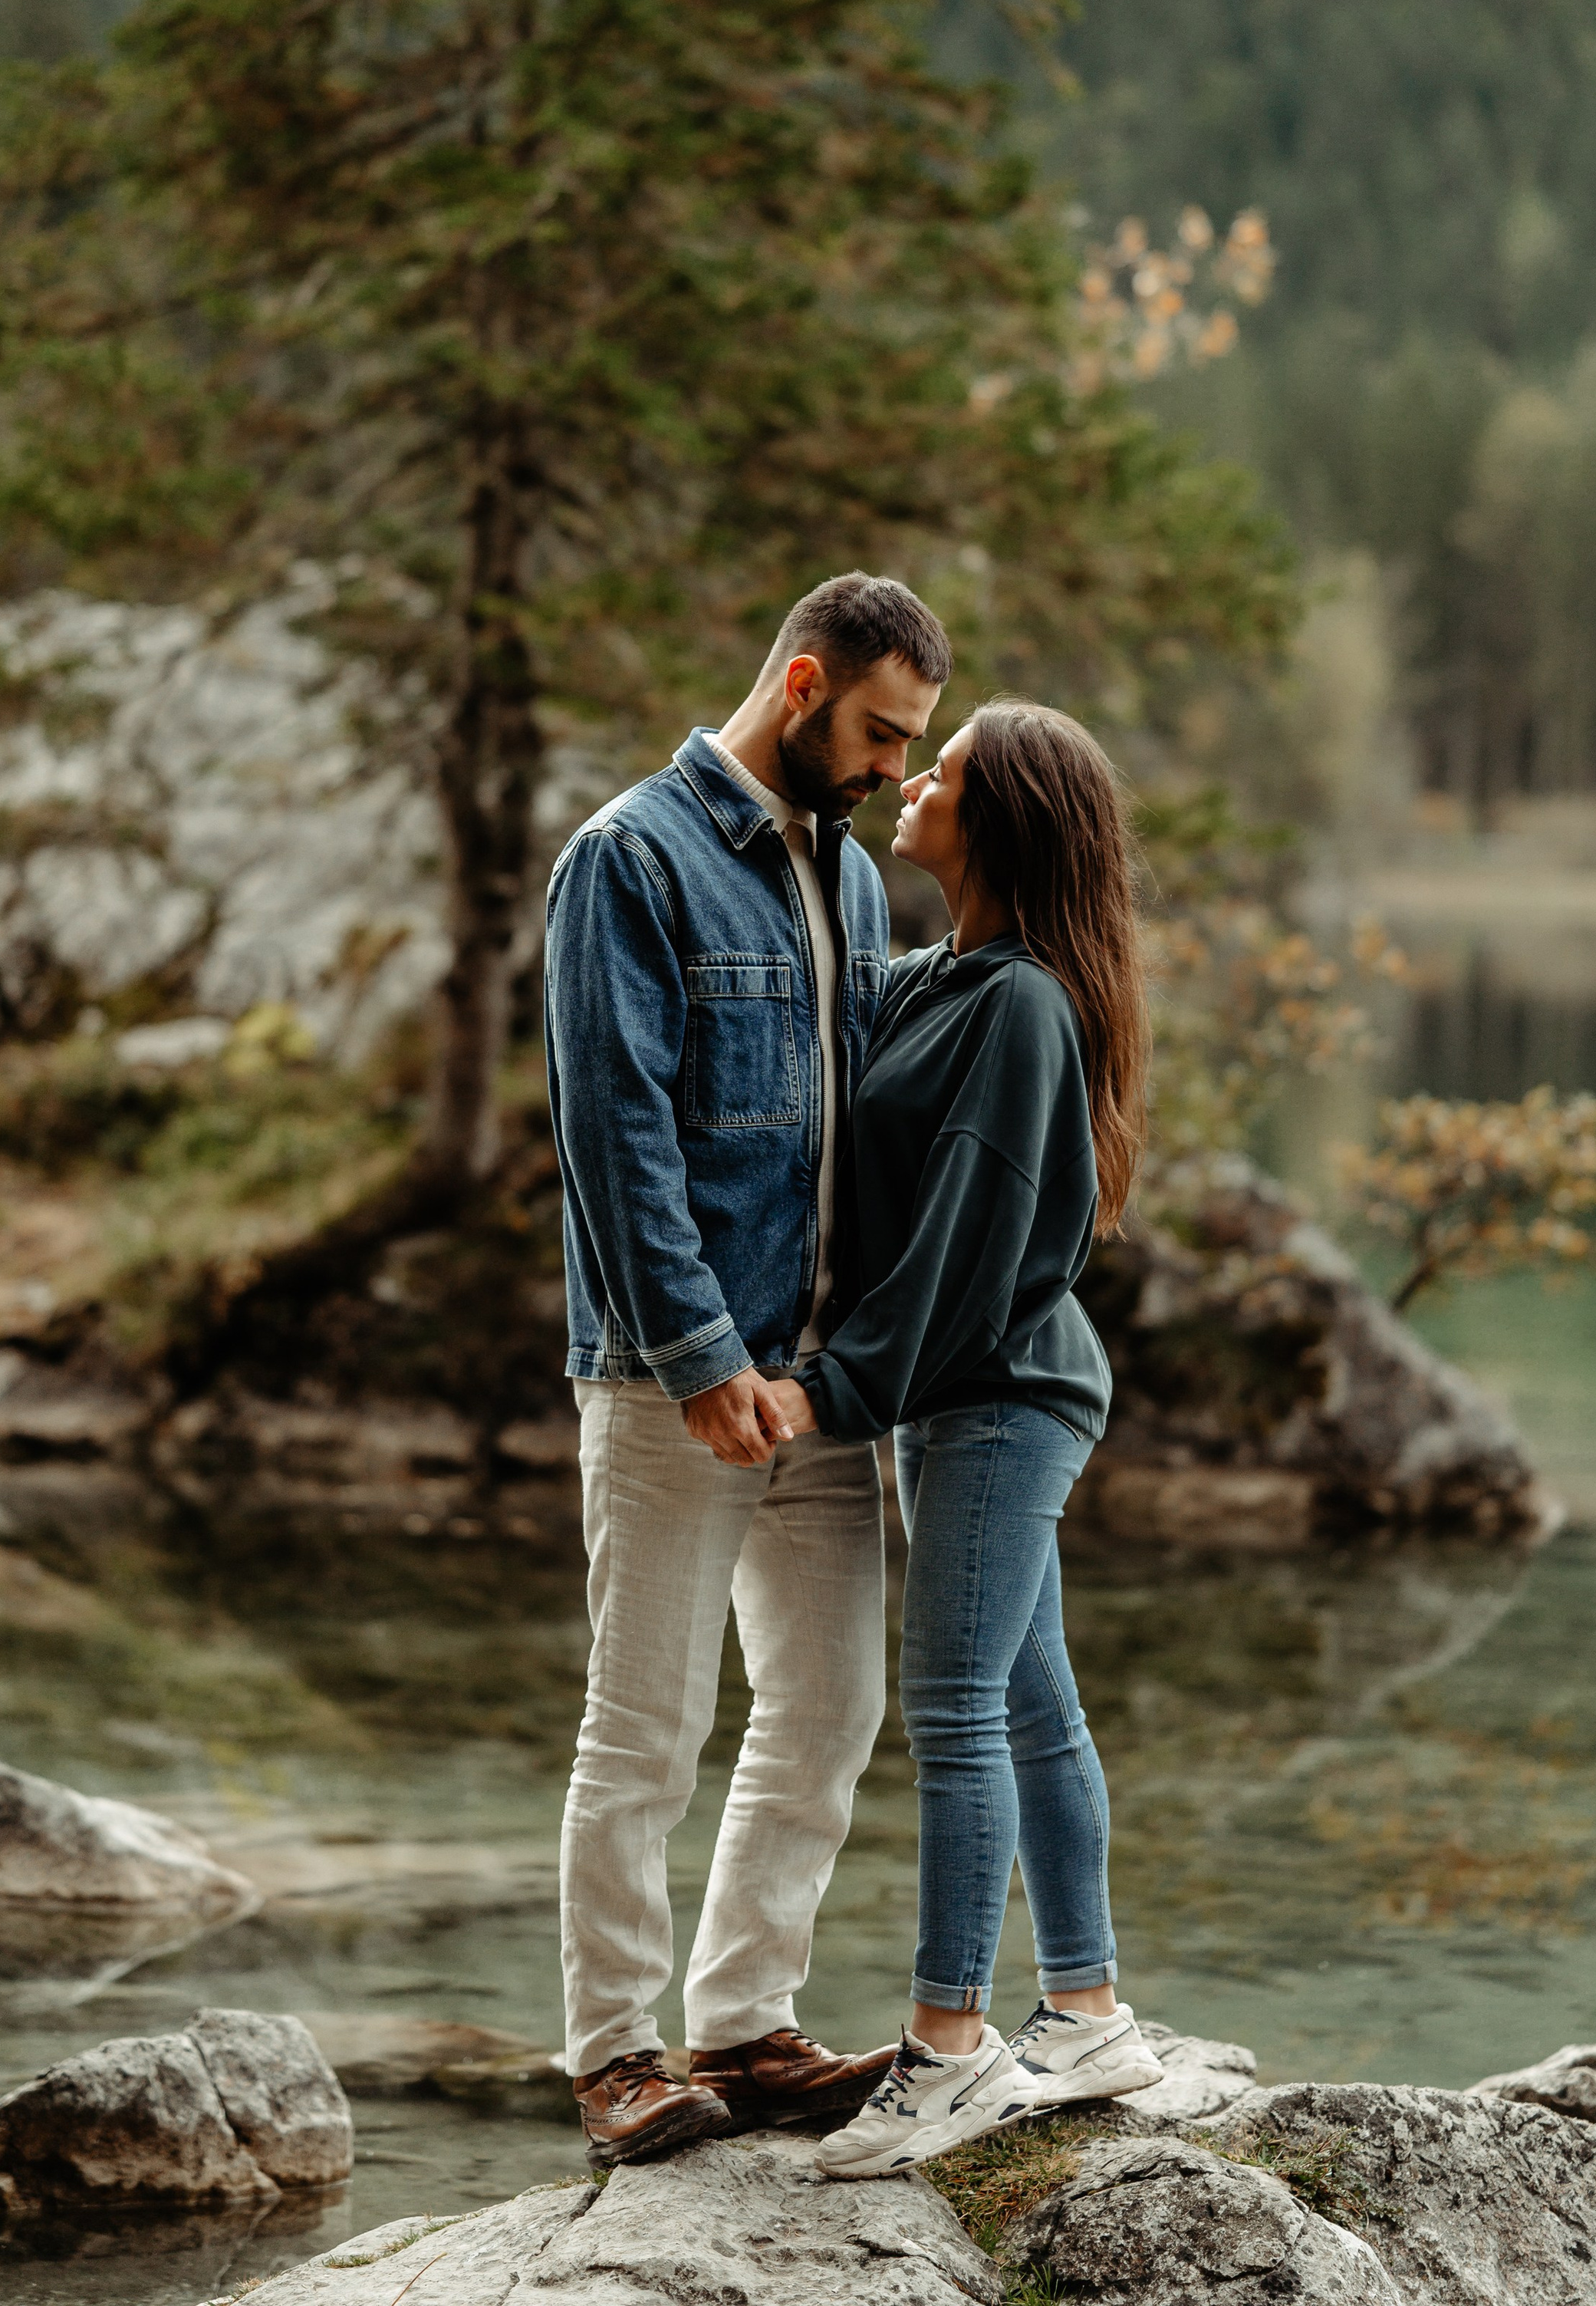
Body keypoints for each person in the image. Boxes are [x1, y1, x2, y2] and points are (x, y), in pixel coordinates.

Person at [544, 572, 953, 2168]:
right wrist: (702, 1358)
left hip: (824, 1379)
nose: (886, 766)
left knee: (830, 1705)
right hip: (672, 1380)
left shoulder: (848, 881)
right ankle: (611, 2056)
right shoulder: (624, 859)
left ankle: (744, 2019)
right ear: (797, 684)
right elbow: (613, 1133)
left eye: (909, 743)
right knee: (644, 1723)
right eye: (873, 730)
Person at [763, 700, 1166, 2176]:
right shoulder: (947, 976)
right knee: (1033, 1699)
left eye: (945, 767)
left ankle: (948, 2048)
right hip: (961, 1390)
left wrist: (834, 1387)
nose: (914, 780)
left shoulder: (1021, 1010)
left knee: (953, 1708)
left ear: (998, 821)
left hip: (1000, 1390)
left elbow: (964, 1243)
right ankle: (1087, 2010)